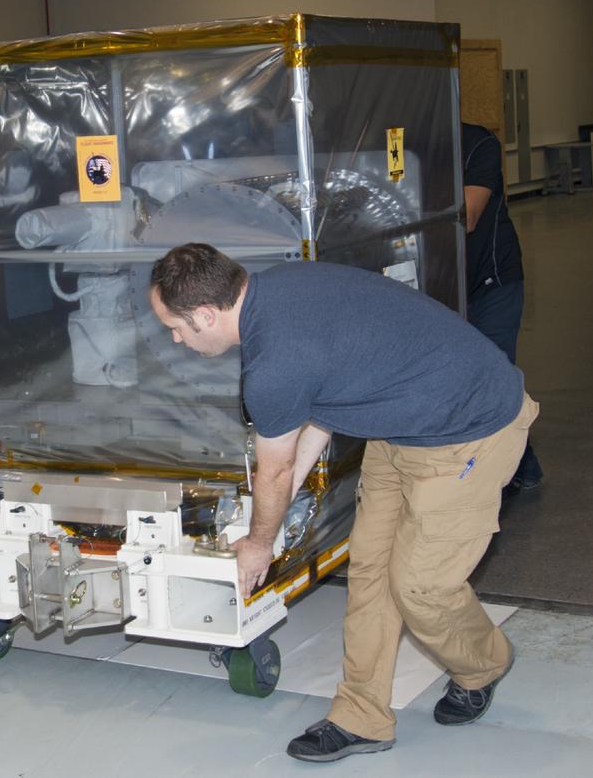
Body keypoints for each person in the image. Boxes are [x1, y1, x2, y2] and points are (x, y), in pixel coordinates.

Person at [149, 244, 537, 763]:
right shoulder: (275, 292)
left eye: (175, 327)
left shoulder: (274, 362)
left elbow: (276, 467)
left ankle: (484, 664)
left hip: (469, 428)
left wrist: (259, 544)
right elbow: (314, 408)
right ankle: (362, 716)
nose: (174, 338)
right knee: (372, 570)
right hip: (399, 424)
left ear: (205, 314)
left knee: (420, 586)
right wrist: (276, 509)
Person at [462, 121, 543, 493]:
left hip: (491, 282)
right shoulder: (397, 143)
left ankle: (518, 468)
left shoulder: (478, 143)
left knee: (494, 374)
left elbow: (469, 215)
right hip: (442, 286)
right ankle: (514, 465)